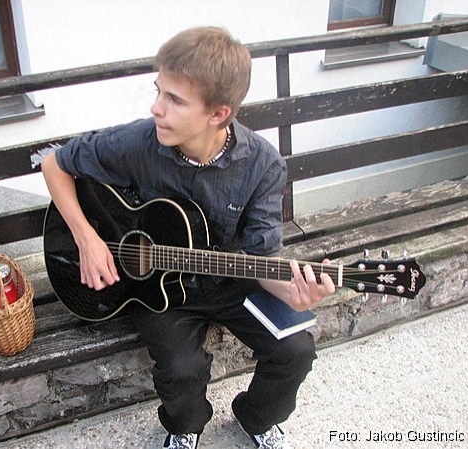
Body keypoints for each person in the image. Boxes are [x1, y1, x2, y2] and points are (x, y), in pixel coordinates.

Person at [42, 26, 335, 449]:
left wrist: (295, 294)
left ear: (217, 114)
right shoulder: (138, 142)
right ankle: (185, 428)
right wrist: (87, 238)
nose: (156, 108)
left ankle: (258, 417)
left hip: (232, 276)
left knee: (296, 349)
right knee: (181, 370)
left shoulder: (263, 165)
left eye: (174, 100)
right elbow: (55, 165)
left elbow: (262, 259)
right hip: (156, 287)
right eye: (158, 91)